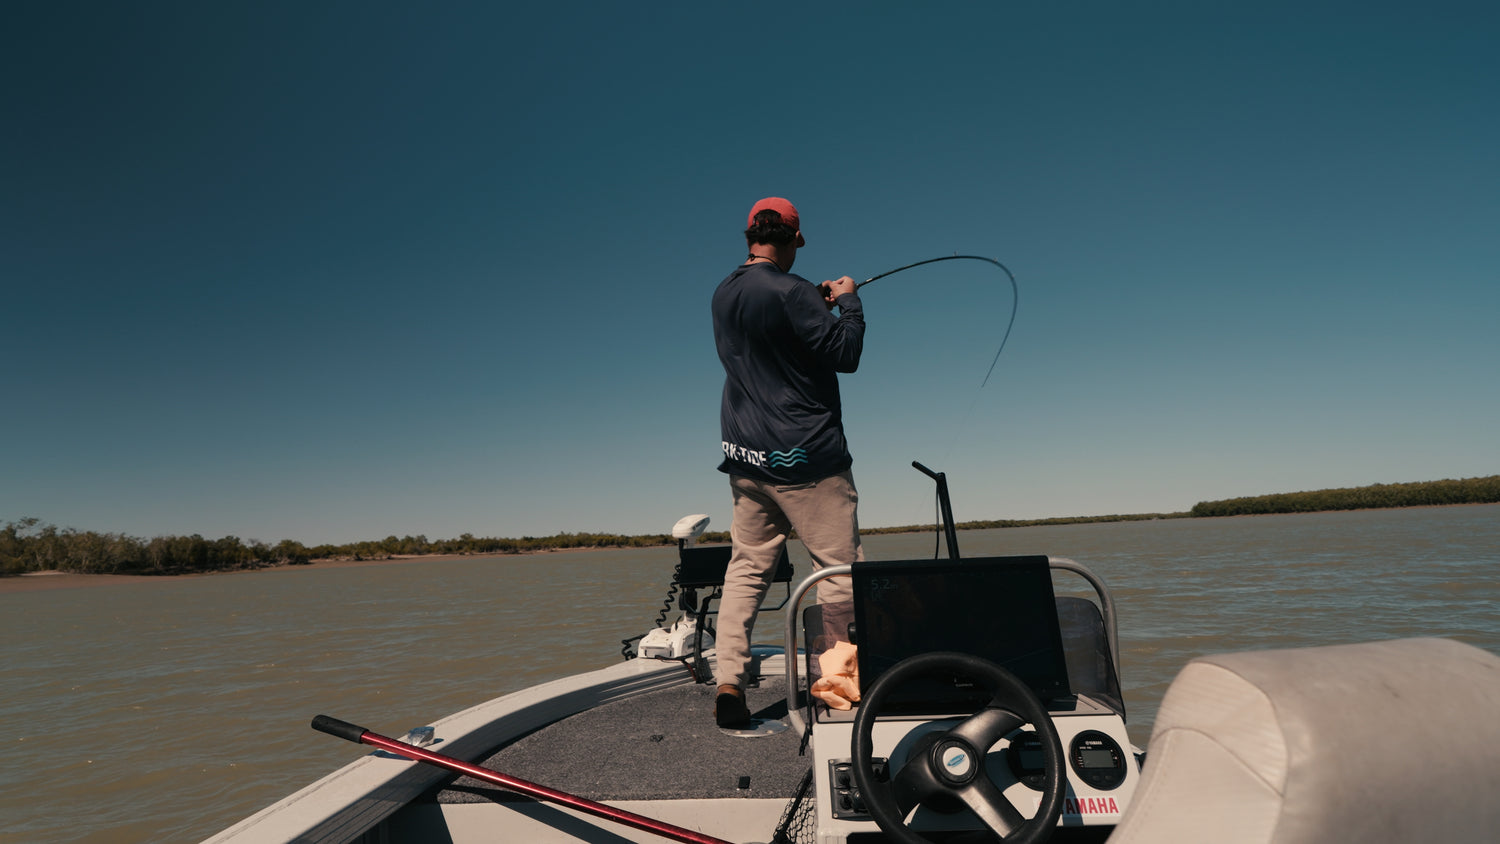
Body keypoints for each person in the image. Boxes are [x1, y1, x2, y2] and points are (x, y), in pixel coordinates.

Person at [709, 197, 867, 728]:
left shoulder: (724, 292)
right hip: (808, 461)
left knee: (746, 570)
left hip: (746, 459)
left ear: (750, 235)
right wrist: (847, 303)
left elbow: (774, 333)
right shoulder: (794, 291)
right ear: (794, 239)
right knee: (839, 572)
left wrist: (812, 306)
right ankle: (838, 688)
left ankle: (729, 680)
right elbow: (845, 355)